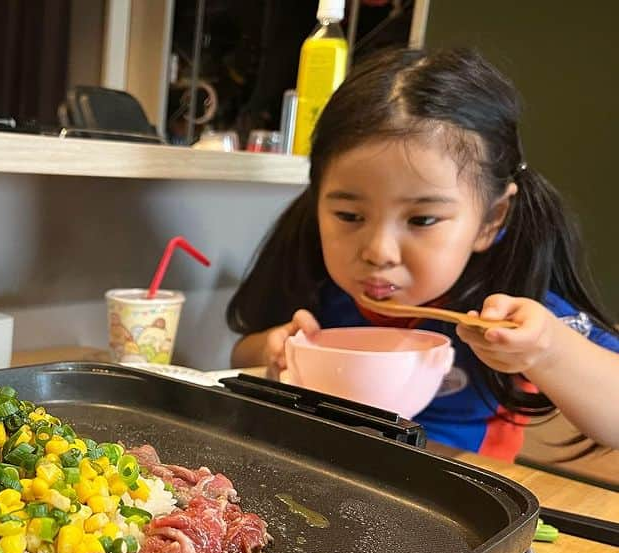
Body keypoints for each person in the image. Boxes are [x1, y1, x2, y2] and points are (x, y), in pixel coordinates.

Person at [227, 48, 619, 459]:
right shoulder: (312, 274)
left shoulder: (513, 302)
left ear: (490, 219)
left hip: (463, 492)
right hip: (328, 468)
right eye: (348, 215)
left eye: (422, 220)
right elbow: (242, 351)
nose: (378, 252)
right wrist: (275, 348)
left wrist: (547, 349)